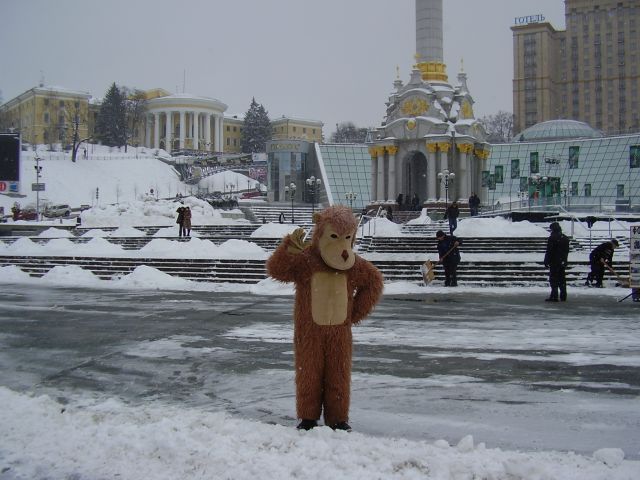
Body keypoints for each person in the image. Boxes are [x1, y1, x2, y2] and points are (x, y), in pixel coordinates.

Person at [543, 222, 570, 302]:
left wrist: (546, 260)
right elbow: (566, 251)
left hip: (554, 261)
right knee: (562, 279)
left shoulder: (552, 238)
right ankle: (563, 295)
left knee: (553, 279)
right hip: (562, 261)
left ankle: (554, 296)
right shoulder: (565, 238)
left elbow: (549, 251)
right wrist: (564, 260)